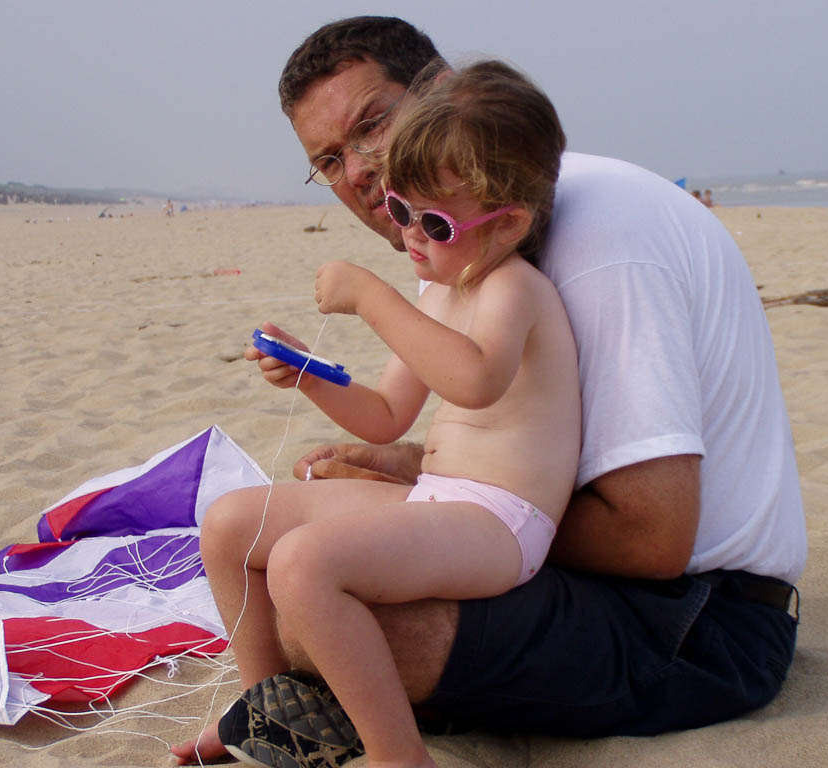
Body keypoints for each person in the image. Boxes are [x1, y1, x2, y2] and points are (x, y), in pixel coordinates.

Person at [173, 16, 806, 766]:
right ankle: (270, 716)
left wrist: (416, 483)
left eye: (373, 124)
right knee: (245, 542)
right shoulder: (451, 240)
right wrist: (387, 450)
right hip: (524, 533)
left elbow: (653, 538)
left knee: (314, 600)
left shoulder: (591, 241)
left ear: (447, 93)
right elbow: (408, 413)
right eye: (330, 160)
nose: (364, 171)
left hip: (700, 617)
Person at [198, 61, 578, 768]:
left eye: (434, 222)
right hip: (440, 502)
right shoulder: (440, 288)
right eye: (402, 212)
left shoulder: (513, 289)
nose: (410, 237)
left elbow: (474, 382)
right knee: (230, 527)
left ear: (510, 224)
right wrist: (307, 374)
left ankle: (399, 755)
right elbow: (381, 416)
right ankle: (267, 715)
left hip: (500, 522)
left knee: (303, 565)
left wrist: (373, 297)